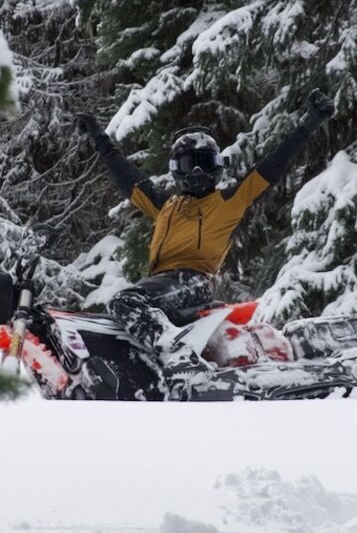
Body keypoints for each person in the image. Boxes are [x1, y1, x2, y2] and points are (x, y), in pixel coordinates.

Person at [74, 89, 337, 367]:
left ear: (217, 167)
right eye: (190, 165)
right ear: (177, 170)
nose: (197, 173)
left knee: (124, 302)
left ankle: (176, 356)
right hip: (163, 285)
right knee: (118, 317)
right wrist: (98, 137)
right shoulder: (165, 207)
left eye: (204, 164)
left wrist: (310, 122)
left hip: (195, 282)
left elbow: (272, 165)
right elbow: (127, 175)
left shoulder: (226, 203)